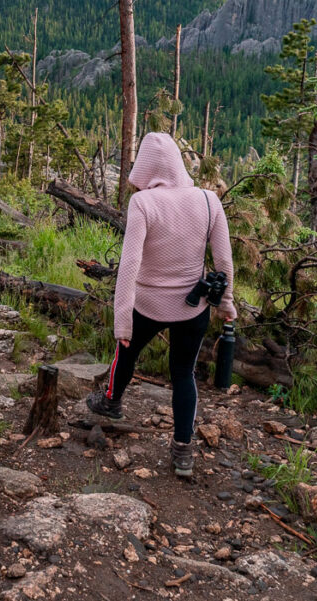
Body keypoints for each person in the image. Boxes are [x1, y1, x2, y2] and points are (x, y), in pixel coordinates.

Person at [86, 132, 236, 478]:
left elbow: (129, 265)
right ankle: (182, 451)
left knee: (126, 353)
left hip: (147, 304)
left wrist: (122, 320)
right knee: (183, 374)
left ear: (147, 166)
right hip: (193, 307)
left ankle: (112, 402)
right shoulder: (210, 200)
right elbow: (224, 263)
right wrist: (226, 304)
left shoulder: (143, 204)